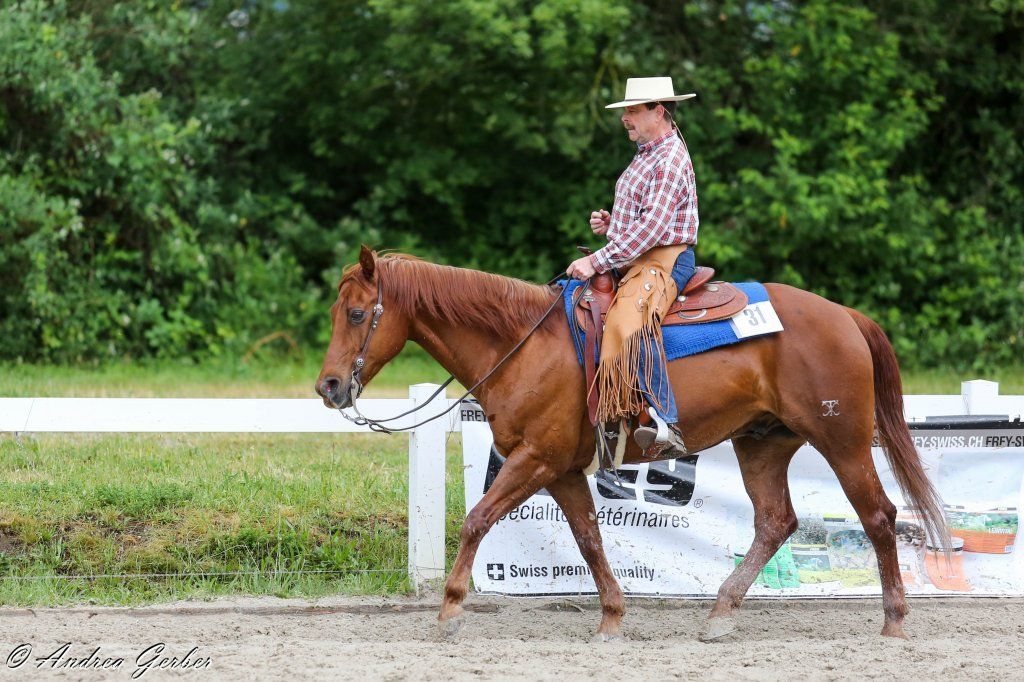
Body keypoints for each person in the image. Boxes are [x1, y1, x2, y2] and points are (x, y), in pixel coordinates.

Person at [565, 76, 699, 457]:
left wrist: (596, 259)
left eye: (632, 110)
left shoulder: (669, 158)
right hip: (640, 256)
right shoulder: (647, 152)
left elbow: (656, 229)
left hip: (665, 260)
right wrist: (614, 226)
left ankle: (663, 421)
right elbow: (647, 222)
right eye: (625, 110)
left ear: (658, 111)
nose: (625, 118)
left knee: (628, 322)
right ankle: (612, 416)